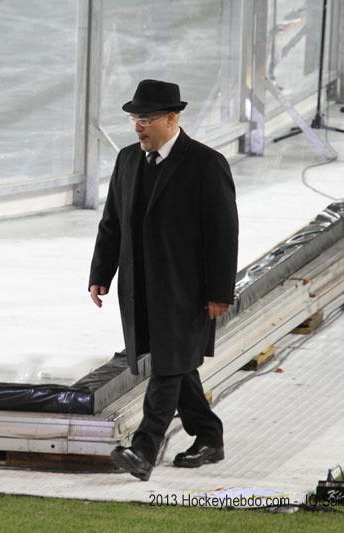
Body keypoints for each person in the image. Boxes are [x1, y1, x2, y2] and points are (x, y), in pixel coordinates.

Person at [88, 79, 238, 481]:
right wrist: (100, 274)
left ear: (172, 118)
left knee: (169, 367)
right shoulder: (127, 161)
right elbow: (113, 223)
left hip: (186, 293)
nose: (139, 127)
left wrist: (219, 292)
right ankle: (209, 436)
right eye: (136, 118)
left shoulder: (206, 164)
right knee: (178, 364)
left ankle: (144, 448)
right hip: (140, 291)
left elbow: (223, 234)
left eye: (147, 119)